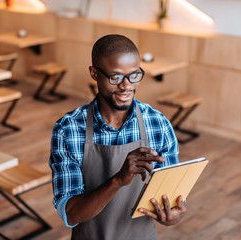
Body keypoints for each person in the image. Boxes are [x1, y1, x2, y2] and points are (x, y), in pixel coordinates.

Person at [49, 34, 186, 240]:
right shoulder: (68, 129)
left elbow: (172, 202)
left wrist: (172, 216)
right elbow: (71, 214)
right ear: (94, 73)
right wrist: (118, 180)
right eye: (115, 77)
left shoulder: (159, 124)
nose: (126, 86)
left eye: (134, 75)